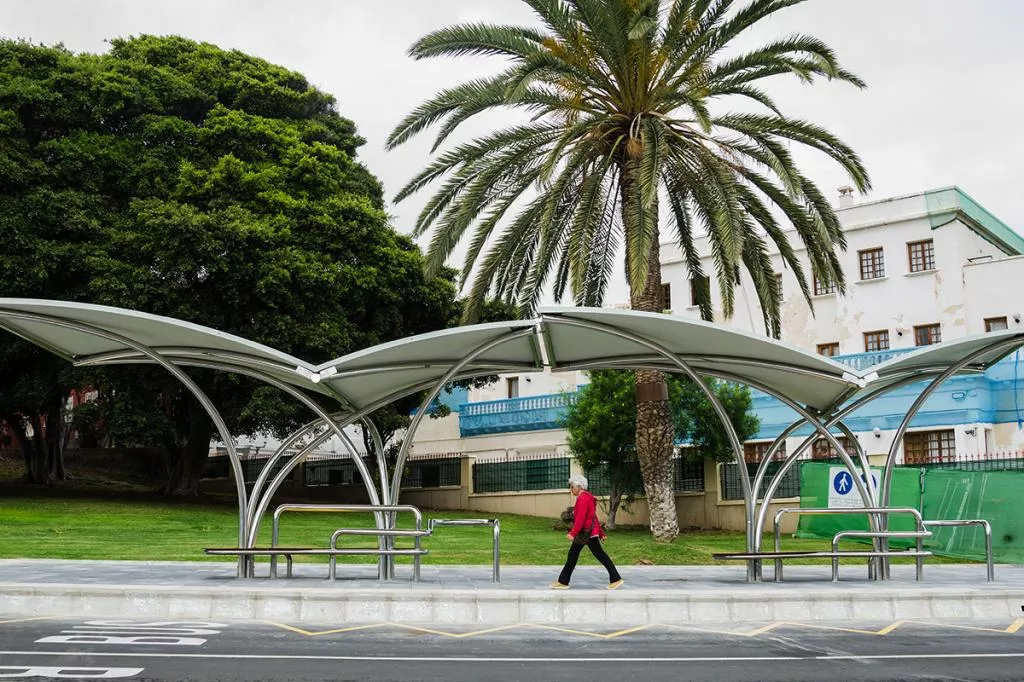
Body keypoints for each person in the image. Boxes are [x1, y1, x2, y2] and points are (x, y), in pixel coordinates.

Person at [550, 474, 623, 590]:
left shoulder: (583, 498)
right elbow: (593, 517)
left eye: (572, 486)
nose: (571, 489)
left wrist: (573, 533)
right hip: (588, 532)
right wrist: (601, 533)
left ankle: (616, 579)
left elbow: (581, 518)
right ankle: (563, 581)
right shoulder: (587, 497)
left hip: (586, 533)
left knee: (598, 555)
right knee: (573, 556)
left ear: (579, 486)